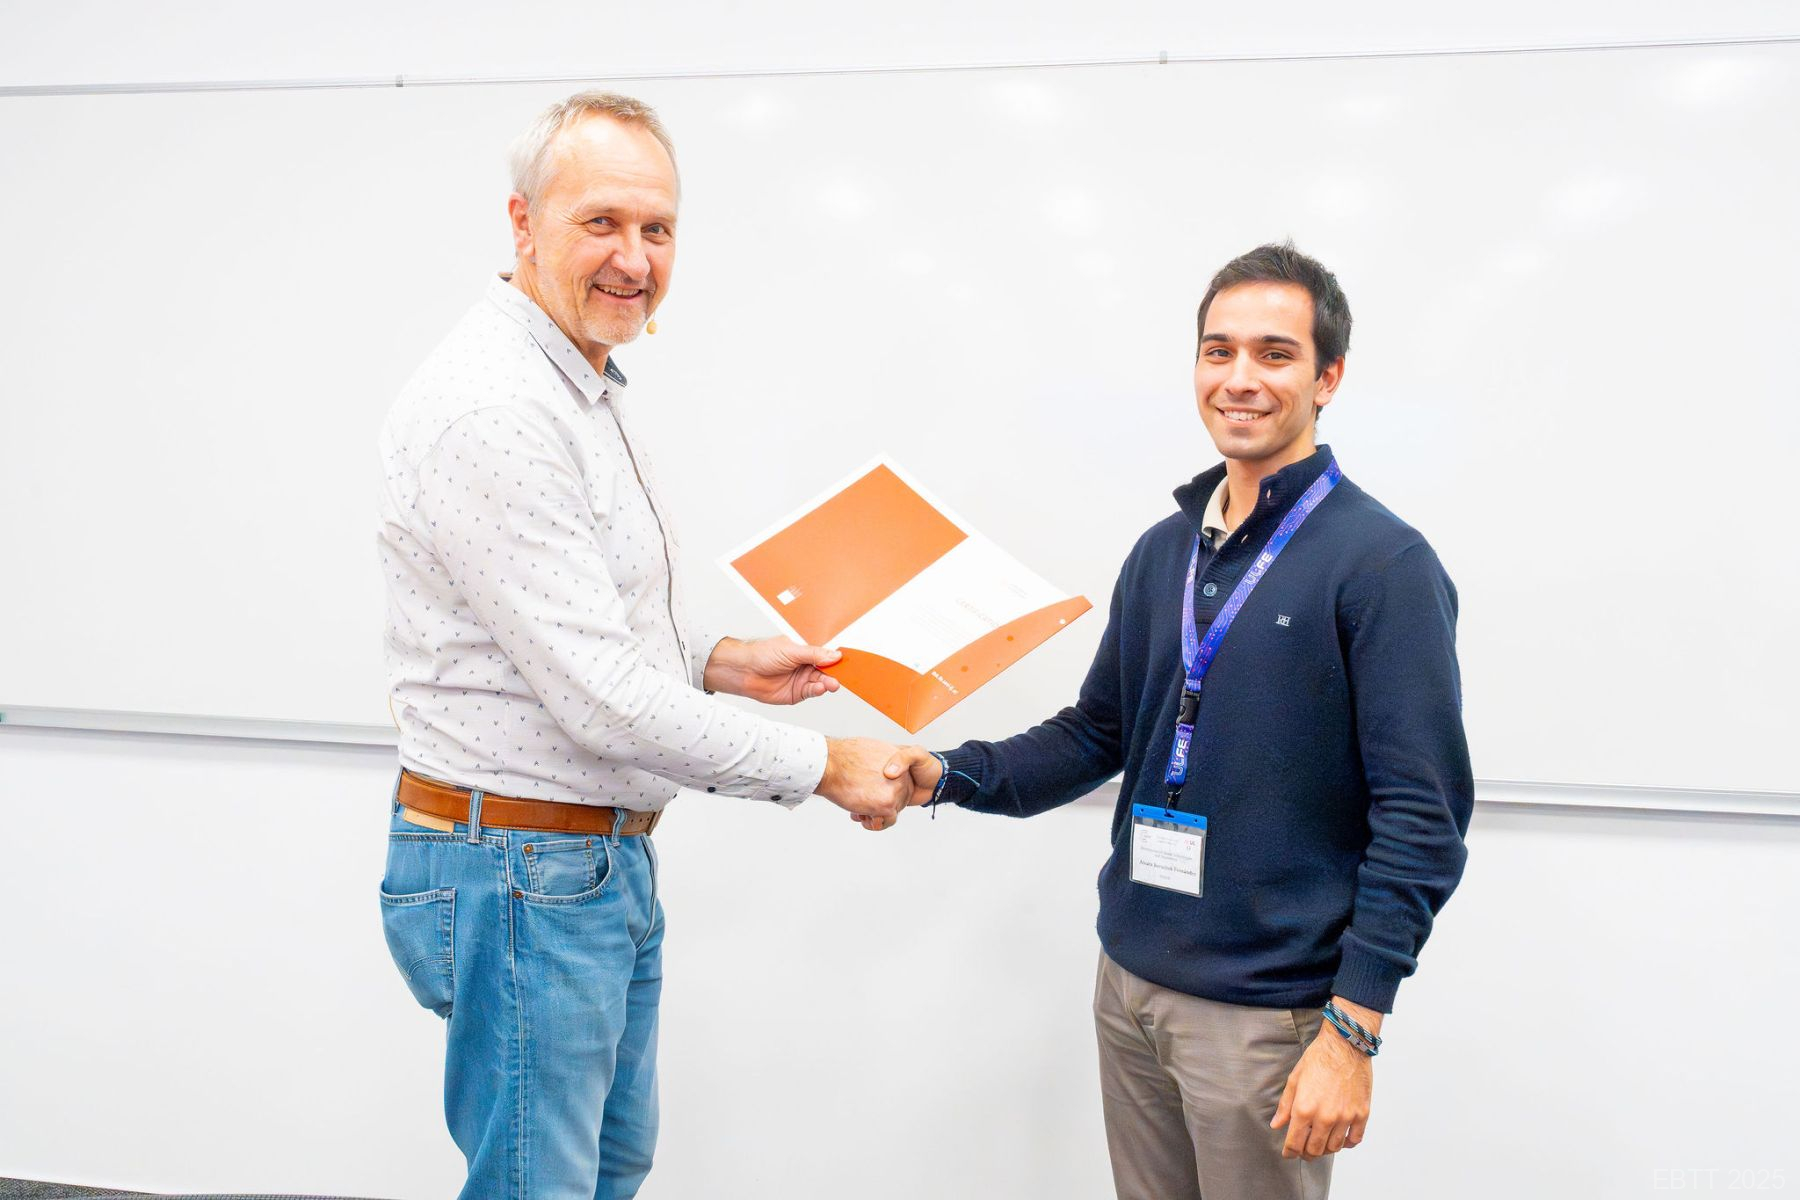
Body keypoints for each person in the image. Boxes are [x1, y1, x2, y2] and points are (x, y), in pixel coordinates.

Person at [374, 90, 908, 1200]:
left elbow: (578, 623)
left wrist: (717, 659)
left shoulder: (577, 383)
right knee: (541, 1185)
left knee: (607, 1166)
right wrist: (825, 766)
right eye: (601, 223)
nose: (635, 259)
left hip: (581, 863)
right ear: (523, 222)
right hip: (519, 870)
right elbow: (602, 698)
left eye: (657, 228)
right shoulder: (498, 411)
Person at [882, 243, 1473, 1200]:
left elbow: (1423, 817)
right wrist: (946, 774)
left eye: (1275, 354)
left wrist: (1353, 1029)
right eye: (1218, 350)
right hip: (1131, 983)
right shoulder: (1165, 550)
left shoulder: (1382, 564)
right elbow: (1097, 733)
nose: (1239, 378)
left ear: (1328, 378)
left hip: (1266, 1014)